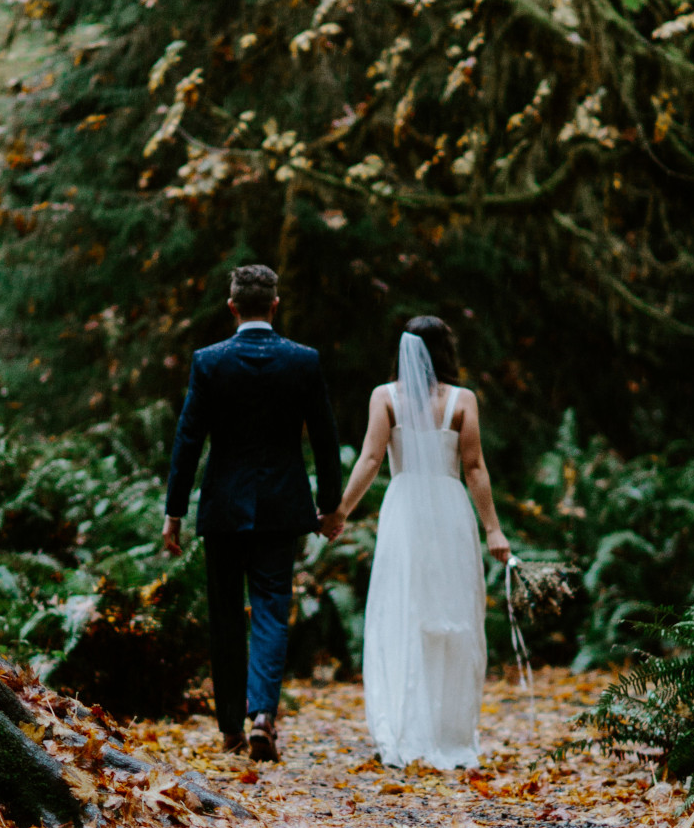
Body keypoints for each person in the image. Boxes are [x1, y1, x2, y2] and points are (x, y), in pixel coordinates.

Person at [162, 264, 340, 762]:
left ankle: (230, 731)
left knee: (224, 616)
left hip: (222, 508)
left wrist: (174, 511)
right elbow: (325, 440)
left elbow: (188, 442)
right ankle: (263, 714)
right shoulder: (303, 361)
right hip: (282, 508)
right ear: (275, 305)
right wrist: (331, 507)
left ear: (233, 306)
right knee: (270, 610)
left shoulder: (209, 361)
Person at [322, 316, 510, 770]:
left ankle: (407, 728)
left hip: (404, 510)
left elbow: (370, 458)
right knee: (450, 616)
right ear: (446, 351)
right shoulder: (462, 400)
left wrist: (340, 512)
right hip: (449, 510)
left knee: (404, 612)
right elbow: (475, 468)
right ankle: (448, 734)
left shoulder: (384, 397)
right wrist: (493, 530)